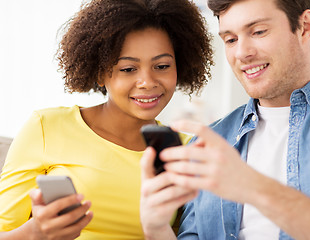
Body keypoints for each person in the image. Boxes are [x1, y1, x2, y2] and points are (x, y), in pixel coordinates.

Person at [140, 0, 310, 239]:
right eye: (231, 39)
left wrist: (255, 188)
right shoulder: (209, 144)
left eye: (258, 32)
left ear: (305, 26)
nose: (242, 53)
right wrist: (157, 228)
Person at [0, 0, 213, 239]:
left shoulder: (186, 148)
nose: (148, 82)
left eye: (162, 66)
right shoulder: (47, 127)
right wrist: (35, 232)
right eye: (128, 69)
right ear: (100, 73)